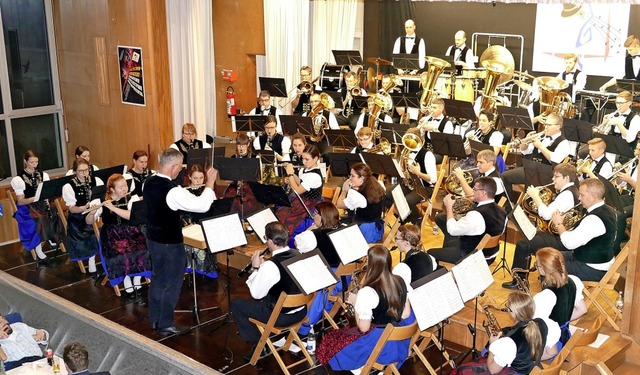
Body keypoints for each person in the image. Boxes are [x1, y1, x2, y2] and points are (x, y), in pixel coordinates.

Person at [144, 148, 217, 336]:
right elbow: (202, 206)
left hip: (153, 240)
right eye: (180, 167)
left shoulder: (149, 182)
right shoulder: (173, 191)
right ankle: (166, 323)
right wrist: (210, 183)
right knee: (173, 283)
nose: (181, 171)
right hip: (170, 244)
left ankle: (155, 319)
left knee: (158, 279)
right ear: (174, 166)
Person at [316, 245, 414, 372]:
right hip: (398, 343)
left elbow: (363, 328)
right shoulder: (401, 281)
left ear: (372, 263)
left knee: (330, 342)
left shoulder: (368, 292)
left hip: (379, 344)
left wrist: (356, 303)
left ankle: (359, 367)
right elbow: (405, 314)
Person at [504, 178, 616, 288]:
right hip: (592, 259)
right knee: (548, 257)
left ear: (593, 197)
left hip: (592, 268)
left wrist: (559, 224)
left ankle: (556, 300)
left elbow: (569, 244)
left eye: (582, 195)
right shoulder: (608, 209)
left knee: (547, 265)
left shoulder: (594, 219)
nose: (579, 198)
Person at [230, 222, 306, 362]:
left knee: (236, 304)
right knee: (266, 295)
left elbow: (256, 294)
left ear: (270, 241)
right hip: (301, 311)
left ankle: (258, 343)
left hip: (281, 317)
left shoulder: (271, 265)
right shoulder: (298, 253)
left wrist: (256, 268)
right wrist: (263, 269)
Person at [451, 291, 559, 375]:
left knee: (461, 370)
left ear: (513, 312)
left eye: (508, 306)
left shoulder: (510, 341)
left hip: (514, 372)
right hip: (532, 370)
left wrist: (492, 346)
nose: (506, 308)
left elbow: (493, 370)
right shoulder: (542, 324)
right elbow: (550, 352)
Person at [98, 174, 151, 303]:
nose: (124, 189)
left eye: (125, 185)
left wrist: (113, 208)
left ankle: (137, 278)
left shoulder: (132, 198)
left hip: (131, 231)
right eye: (120, 187)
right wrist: (92, 212)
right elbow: (89, 221)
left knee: (143, 249)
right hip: (112, 235)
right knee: (122, 254)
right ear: (112, 189)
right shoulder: (103, 201)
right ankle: (127, 282)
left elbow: (130, 216)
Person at [430, 177, 507, 264]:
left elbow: (452, 230)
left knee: (430, 253)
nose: (473, 191)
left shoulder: (476, 215)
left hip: (473, 256)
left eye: (475, 189)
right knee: (450, 238)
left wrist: (449, 207)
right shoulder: (502, 211)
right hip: (491, 254)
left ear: (484, 193)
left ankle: (444, 274)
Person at [294, 201, 343, 336]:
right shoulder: (342, 229)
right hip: (343, 279)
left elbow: (298, 242)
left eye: (315, 214)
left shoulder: (314, 235)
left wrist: (312, 227)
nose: (313, 216)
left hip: (326, 279)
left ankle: (303, 326)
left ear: (322, 217)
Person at [10, 150, 65, 265]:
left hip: (41, 203)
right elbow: (21, 201)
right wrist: (35, 198)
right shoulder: (19, 179)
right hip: (28, 206)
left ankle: (52, 236)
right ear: (25, 161)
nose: (35, 165)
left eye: (36, 162)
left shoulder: (43, 175)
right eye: (32, 162)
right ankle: (38, 248)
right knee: (40, 218)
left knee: (54, 211)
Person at [501, 114, 571, 201]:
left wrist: (540, 147)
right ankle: (508, 204)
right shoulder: (541, 136)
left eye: (549, 125)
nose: (546, 127)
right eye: (545, 124)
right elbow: (526, 151)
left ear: (558, 127)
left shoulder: (564, 143)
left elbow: (555, 159)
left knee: (531, 184)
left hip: (547, 174)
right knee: (504, 176)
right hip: (531, 170)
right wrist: (525, 142)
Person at [533, 247, 587, 360]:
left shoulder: (545, 296)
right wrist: (561, 320)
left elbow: (535, 329)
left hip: (550, 347)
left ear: (543, 269)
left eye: (536, 265)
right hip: (565, 340)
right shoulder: (573, 281)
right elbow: (582, 310)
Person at [62, 158, 104, 277]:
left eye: (86, 170)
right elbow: (72, 208)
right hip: (78, 218)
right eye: (81, 171)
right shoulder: (68, 186)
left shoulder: (96, 180)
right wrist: (84, 208)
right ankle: (91, 262)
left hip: (96, 213)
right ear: (75, 171)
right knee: (88, 228)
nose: (84, 174)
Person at [275, 145, 324, 236]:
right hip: (302, 199)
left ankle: (285, 238)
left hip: (310, 203)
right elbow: (300, 182)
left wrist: (290, 174)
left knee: (285, 216)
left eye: (307, 159)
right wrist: (292, 177)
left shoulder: (314, 176)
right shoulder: (305, 169)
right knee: (278, 207)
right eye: (303, 158)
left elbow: (296, 191)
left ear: (316, 158)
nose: (304, 162)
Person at [337, 162, 386, 243]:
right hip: (378, 228)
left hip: (365, 232)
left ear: (361, 178)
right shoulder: (378, 184)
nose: (349, 178)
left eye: (352, 176)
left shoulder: (356, 196)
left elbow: (339, 204)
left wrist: (344, 190)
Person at [392, 223, 438, 290]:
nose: (395, 242)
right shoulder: (429, 257)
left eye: (396, 239)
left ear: (406, 243)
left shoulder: (402, 268)